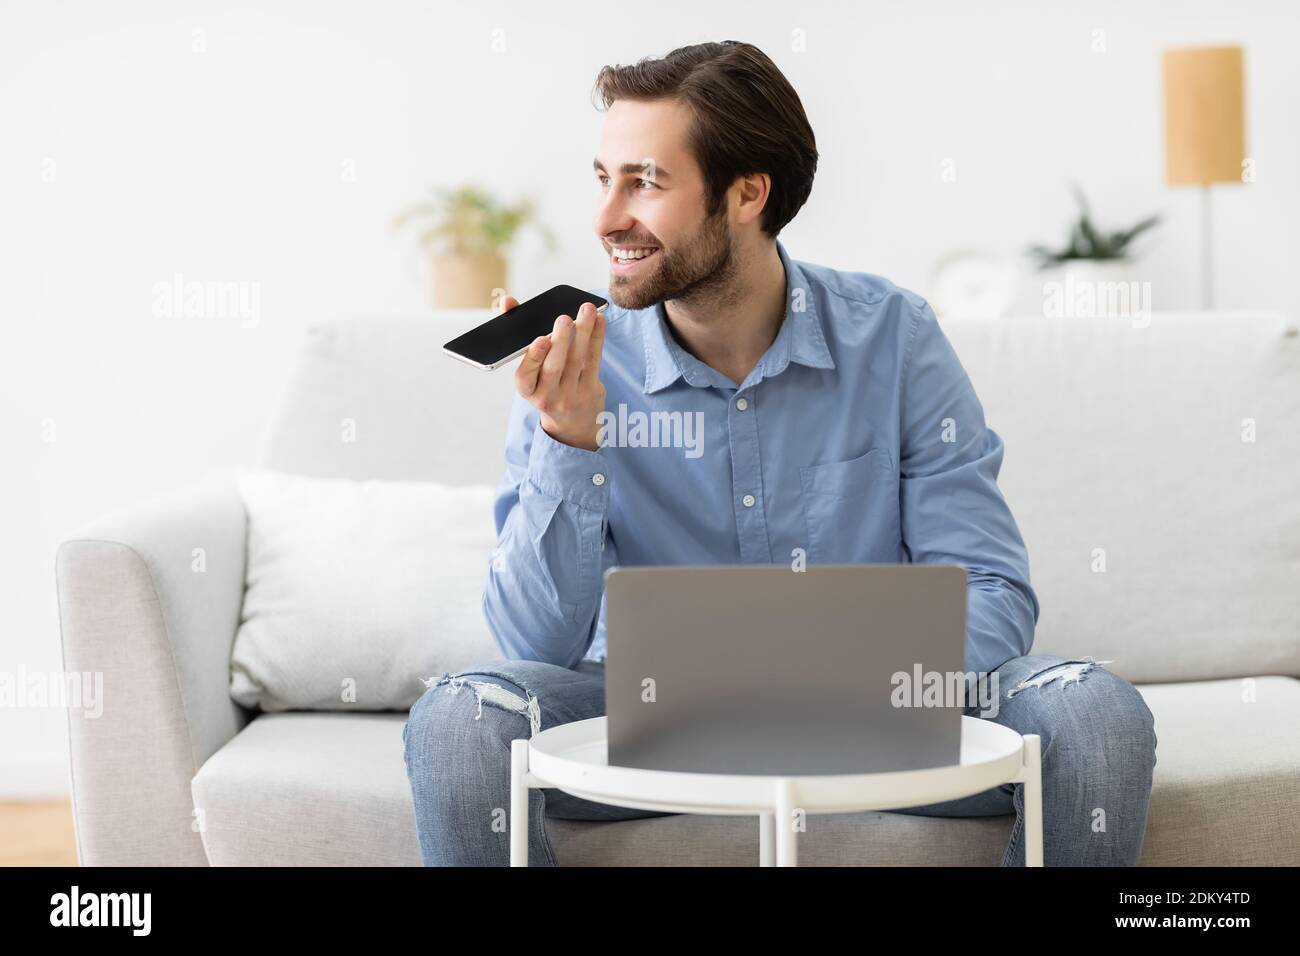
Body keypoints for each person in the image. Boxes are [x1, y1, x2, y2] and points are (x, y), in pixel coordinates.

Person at [404, 40, 1157, 867]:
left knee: (1093, 710)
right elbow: (531, 644)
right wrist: (568, 441)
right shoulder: (581, 363)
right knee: (463, 718)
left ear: (748, 193)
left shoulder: (894, 336)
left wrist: (843, 688)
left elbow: (993, 588)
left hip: (881, 713)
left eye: (645, 182)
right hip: (646, 723)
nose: (606, 217)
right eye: (602, 178)